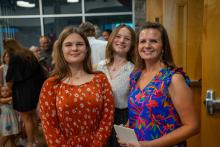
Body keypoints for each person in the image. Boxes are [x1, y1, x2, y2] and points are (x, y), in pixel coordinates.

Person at [118, 22, 199, 147]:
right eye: (143, 41)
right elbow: (139, 113)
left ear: (163, 47)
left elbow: (192, 126)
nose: (147, 45)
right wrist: (126, 130)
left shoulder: (173, 79)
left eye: (153, 41)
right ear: (137, 46)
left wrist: (150, 145)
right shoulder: (135, 76)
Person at [39, 26, 115, 147]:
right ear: (61, 50)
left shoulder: (100, 79)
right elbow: (49, 127)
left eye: (79, 44)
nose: (74, 48)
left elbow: (108, 117)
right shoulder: (51, 85)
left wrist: (97, 144)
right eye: (68, 45)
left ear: (86, 49)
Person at [96, 24, 136, 147]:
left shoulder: (134, 69)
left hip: (123, 118)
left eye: (127, 38)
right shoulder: (100, 66)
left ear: (132, 44)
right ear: (112, 39)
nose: (122, 41)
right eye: (118, 36)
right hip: (101, 117)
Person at [3, 38, 46, 147]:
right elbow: (41, 73)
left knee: (26, 118)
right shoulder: (28, 54)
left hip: (22, 92)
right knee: (33, 117)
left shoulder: (14, 57)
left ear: (8, 48)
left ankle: (30, 142)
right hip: (35, 90)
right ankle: (35, 140)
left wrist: (8, 89)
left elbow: (10, 80)